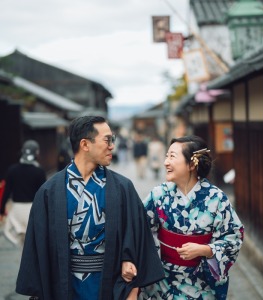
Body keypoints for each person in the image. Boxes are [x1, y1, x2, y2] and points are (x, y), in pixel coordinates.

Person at [16, 116, 164, 300]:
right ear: (85, 144)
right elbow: (37, 246)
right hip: (64, 283)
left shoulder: (122, 188)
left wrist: (132, 284)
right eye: (107, 140)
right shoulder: (49, 191)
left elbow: (137, 237)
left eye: (113, 140)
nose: (112, 146)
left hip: (110, 283)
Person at [139, 135, 244, 299]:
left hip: (201, 283)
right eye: (166, 156)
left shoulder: (216, 198)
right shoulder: (159, 195)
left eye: (172, 156)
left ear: (192, 164)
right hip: (163, 283)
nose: (166, 162)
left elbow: (234, 236)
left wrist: (207, 250)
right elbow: (137, 228)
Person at [0, 140, 46, 246]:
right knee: (33, 244)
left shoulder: (12, 170)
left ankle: (23, 262)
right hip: (33, 209)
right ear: (36, 153)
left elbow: (6, 192)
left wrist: (1, 211)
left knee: (22, 244)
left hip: (17, 210)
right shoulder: (39, 171)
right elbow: (43, 194)